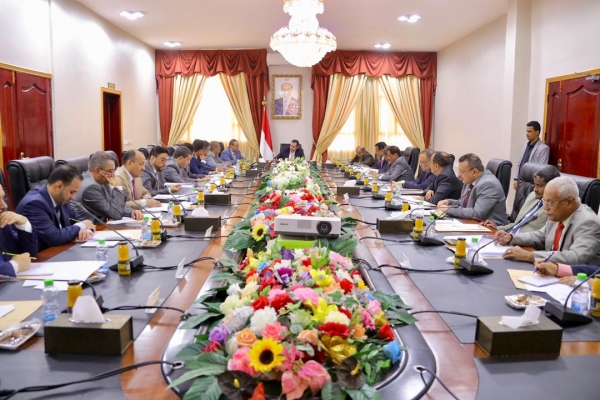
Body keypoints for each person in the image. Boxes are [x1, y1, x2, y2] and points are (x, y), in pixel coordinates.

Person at [496, 176, 600, 265]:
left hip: (576, 279)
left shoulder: (588, 222)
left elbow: (575, 257)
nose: (545, 208)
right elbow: (540, 236)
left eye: (550, 203)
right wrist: (511, 238)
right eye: (545, 201)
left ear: (569, 202)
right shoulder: (558, 214)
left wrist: (530, 256)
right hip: (548, 271)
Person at [16, 165, 95, 252]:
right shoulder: (34, 204)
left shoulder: (60, 197)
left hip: (61, 250)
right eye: (72, 192)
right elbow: (54, 237)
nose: (73, 197)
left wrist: (86, 229)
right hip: (43, 256)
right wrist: (82, 226)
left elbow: (80, 220)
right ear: (58, 186)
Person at [482, 166, 560, 233]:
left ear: (552, 186)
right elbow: (517, 224)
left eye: (539, 186)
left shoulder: (555, 208)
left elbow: (541, 236)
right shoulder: (532, 196)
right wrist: (497, 228)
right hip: (509, 237)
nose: (535, 189)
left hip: (525, 242)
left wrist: (512, 239)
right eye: (535, 185)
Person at [437, 153, 508, 226]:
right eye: (459, 170)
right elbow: (465, 203)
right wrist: (449, 202)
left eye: (462, 171)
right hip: (474, 223)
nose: (459, 175)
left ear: (474, 171)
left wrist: (448, 210)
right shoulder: (470, 180)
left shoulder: (488, 184)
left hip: (492, 228)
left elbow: (476, 213)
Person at [75, 151, 143, 222]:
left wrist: (131, 212)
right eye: (110, 171)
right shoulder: (90, 188)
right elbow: (115, 214)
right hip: (94, 227)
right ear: (97, 171)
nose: (113, 175)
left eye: (113, 171)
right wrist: (118, 188)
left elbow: (112, 205)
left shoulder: (101, 179)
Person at [0, 186, 37, 277]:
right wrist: (15, 265)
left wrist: (24, 223)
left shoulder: (3, 223)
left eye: (3, 198)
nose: (4, 206)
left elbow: (28, 254)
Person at [513, 121, 550, 189]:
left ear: (537, 132)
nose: (527, 134)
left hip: (532, 183)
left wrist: (536, 185)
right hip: (521, 181)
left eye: (529, 132)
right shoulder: (525, 144)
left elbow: (542, 168)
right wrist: (516, 178)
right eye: (527, 131)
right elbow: (519, 162)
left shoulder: (544, 148)